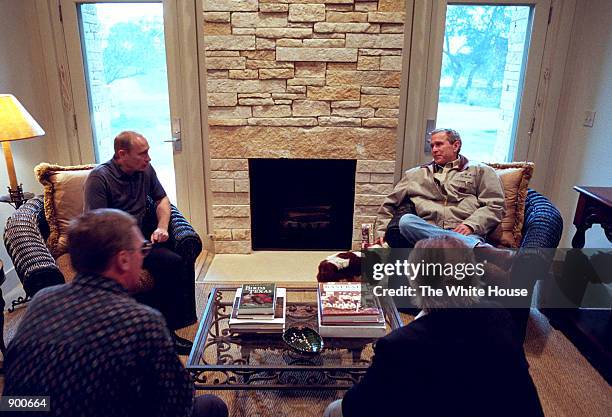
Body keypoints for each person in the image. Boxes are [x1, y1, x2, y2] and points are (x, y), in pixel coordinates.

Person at [2, 209, 228, 417]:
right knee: (211, 405)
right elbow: (179, 405)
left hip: (26, 408)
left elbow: (12, 398)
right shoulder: (141, 322)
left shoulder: (42, 300)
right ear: (123, 260)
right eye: (142, 249)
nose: (144, 256)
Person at [324, 236, 545, 417]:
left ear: (415, 282)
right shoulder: (500, 315)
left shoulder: (399, 345)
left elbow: (357, 407)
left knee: (334, 410)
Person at [84, 130, 195, 354]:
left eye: (148, 152)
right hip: (112, 247)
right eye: (142, 153)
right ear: (122, 154)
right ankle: (160, 336)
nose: (149, 158)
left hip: (139, 239)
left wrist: (162, 227)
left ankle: (170, 327)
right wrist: (133, 247)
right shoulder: (99, 178)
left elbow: (162, 199)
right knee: (167, 264)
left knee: (175, 261)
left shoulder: (145, 170)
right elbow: (97, 226)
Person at [375, 128, 505, 247]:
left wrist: (470, 225)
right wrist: (382, 232)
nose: (434, 150)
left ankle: (467, 244)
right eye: (432, 146)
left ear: (456, 145)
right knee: (405, 221)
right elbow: (389, 204)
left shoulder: (481, 171)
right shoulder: (415, 174)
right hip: (426, 233)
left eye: (439, 144)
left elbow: (495, 206)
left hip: (465, 233)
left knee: (455, 243)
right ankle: (478, 248)